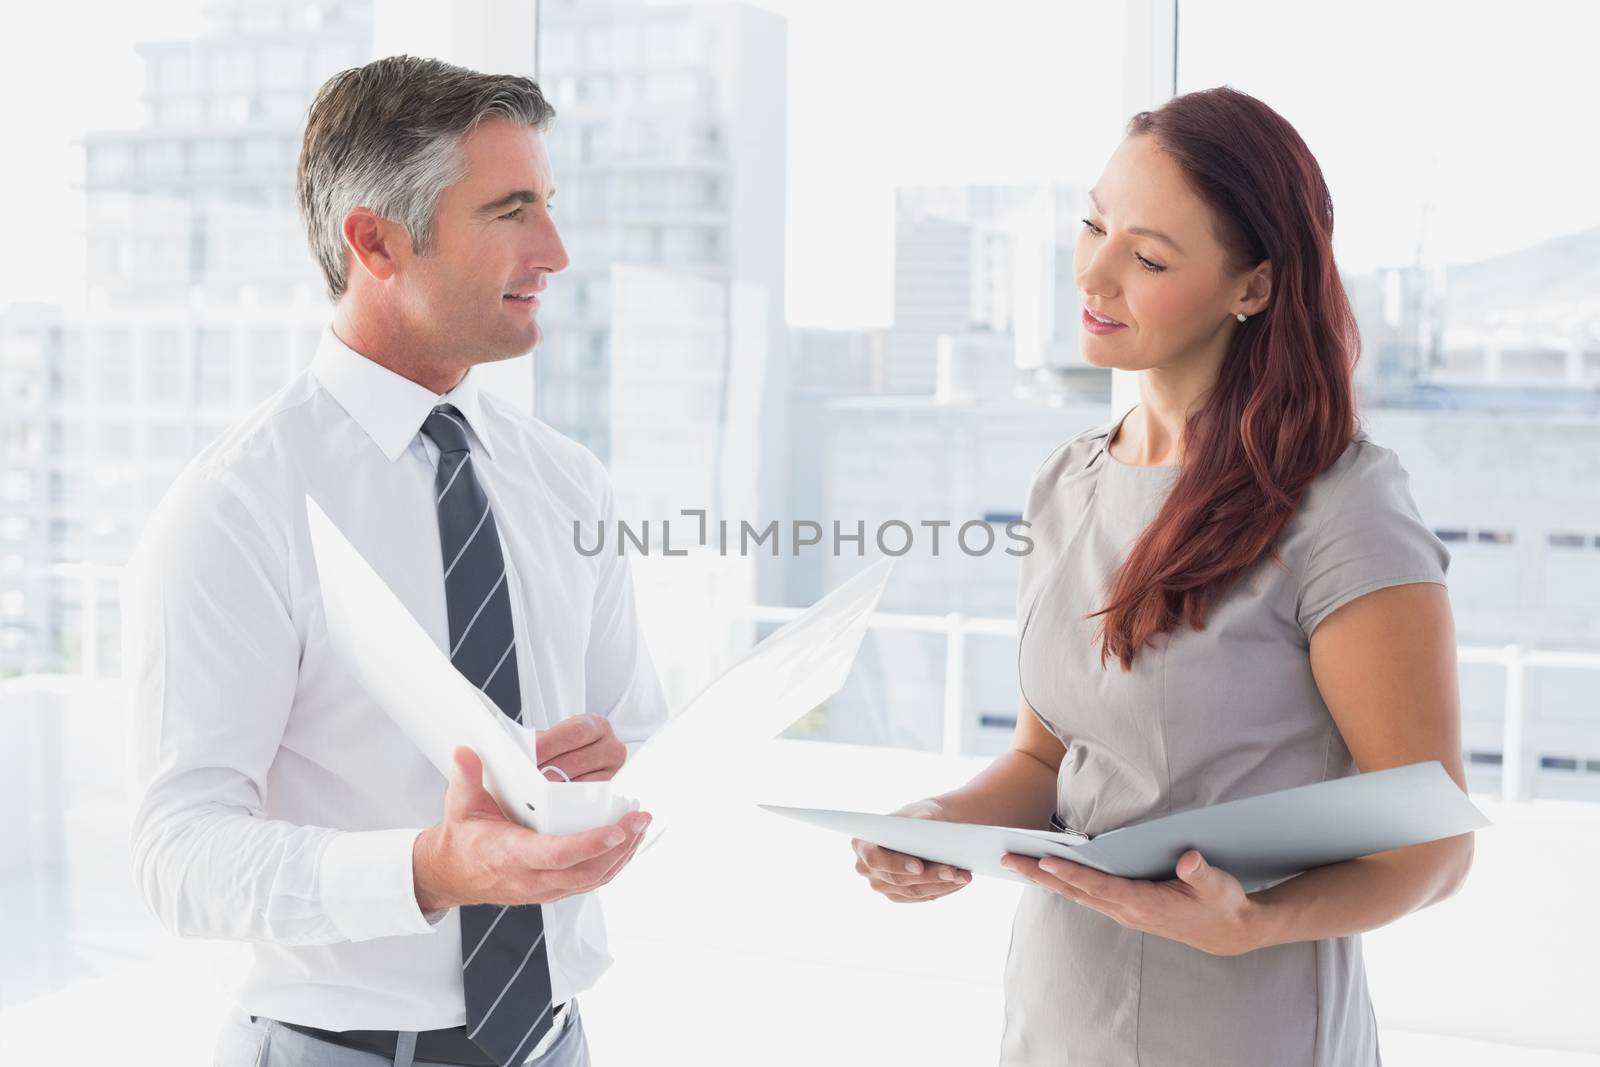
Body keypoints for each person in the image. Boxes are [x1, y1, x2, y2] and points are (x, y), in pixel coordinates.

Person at [850, 86, 1474, 1066]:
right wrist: (937, 826)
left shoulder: (1340, 504)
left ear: (1252, 287)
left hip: (1245, 1025)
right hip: (1060, 1011)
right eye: (1093, 225)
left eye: (1146, 257)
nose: (1094, 274)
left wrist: (1257, 922)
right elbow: (1048, 763)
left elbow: (1432, 842)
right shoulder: (1069, 480)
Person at [124, 56, 665, 1067]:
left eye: (547, 204)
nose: (553, 250)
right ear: (374, 239)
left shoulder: (565, 480)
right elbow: (178, 855)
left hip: (556, 1043)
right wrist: (432, 867)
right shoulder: (238, 504)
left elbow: (636, 734)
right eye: (509, 211)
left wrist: (607, 780)